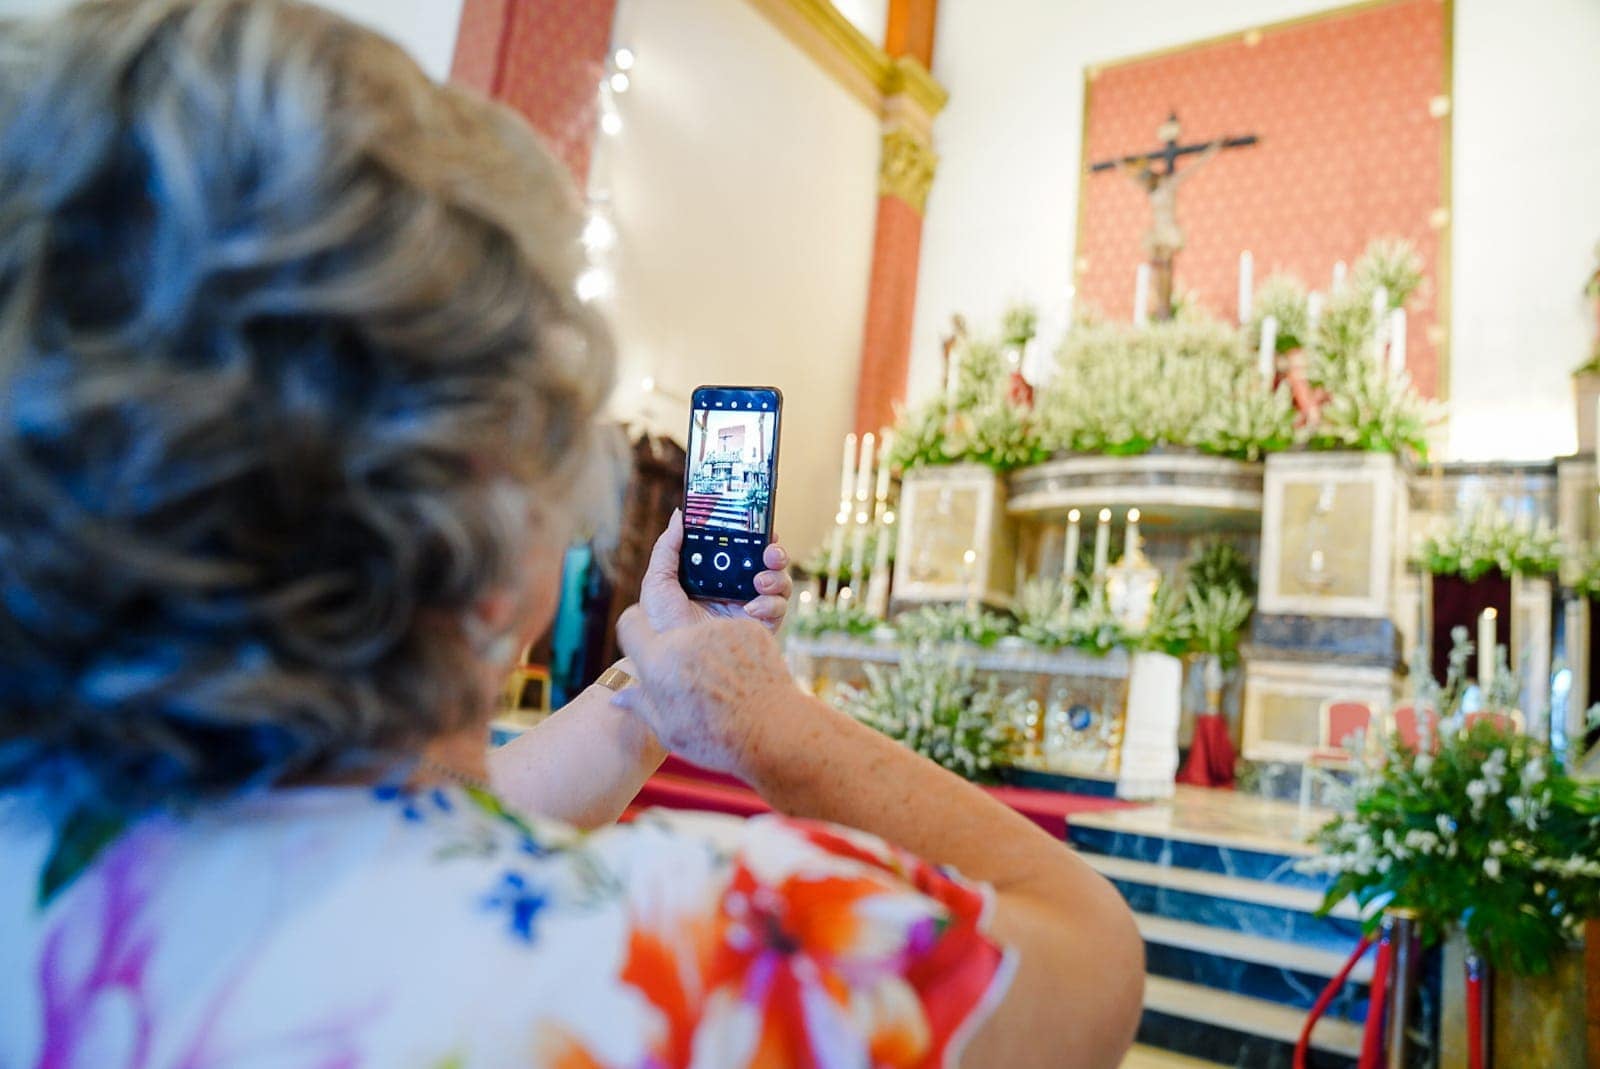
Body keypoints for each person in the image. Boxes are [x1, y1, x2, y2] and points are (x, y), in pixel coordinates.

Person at [0, 2, 1144, 1066]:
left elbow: (415, 824)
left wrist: (656, 683)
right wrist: (770, 728)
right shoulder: (678, 955)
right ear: (488, 520)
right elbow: (1090, 956)